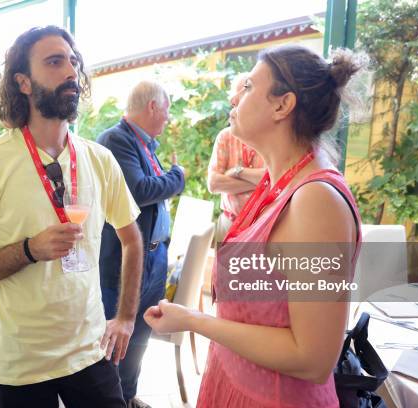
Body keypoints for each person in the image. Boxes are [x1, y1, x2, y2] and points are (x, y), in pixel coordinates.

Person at [145, 44, 365, 407]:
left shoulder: (315, 201)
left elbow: (312, 358)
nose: (235, 98)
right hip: (234, 384)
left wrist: (195, 320)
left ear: (282, 105)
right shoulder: (276, 184)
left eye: (247, 87)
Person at [0, 26, 144, 408]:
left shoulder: (99, 160)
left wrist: (125, 318)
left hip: (91, 352)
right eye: (54, 62)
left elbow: (132, 238)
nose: (70, 71)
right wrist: (29, 250)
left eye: (73, 61)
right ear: (23, 82)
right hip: (22, 365)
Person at [97, 81, 185, 408]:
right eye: (167, 109)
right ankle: (110, 400)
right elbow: (140, 189)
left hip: (153, 258)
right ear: (152, 106)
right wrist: (178, 176)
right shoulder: (116, 139)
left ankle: (127, 397)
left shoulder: (146, 144)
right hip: (125, 261)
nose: (168, 117)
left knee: (140, 337)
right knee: (116, 339)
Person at [208, 74, 266, 242]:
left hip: (261, 227)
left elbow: (277, 181)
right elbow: (213, 184)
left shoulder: (270, 136)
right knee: (223, 268)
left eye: (243, 95)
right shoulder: (225, 136)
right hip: (228, 223)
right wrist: (259, 182)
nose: (235, 104)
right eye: (234, 100)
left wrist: (237, 171)